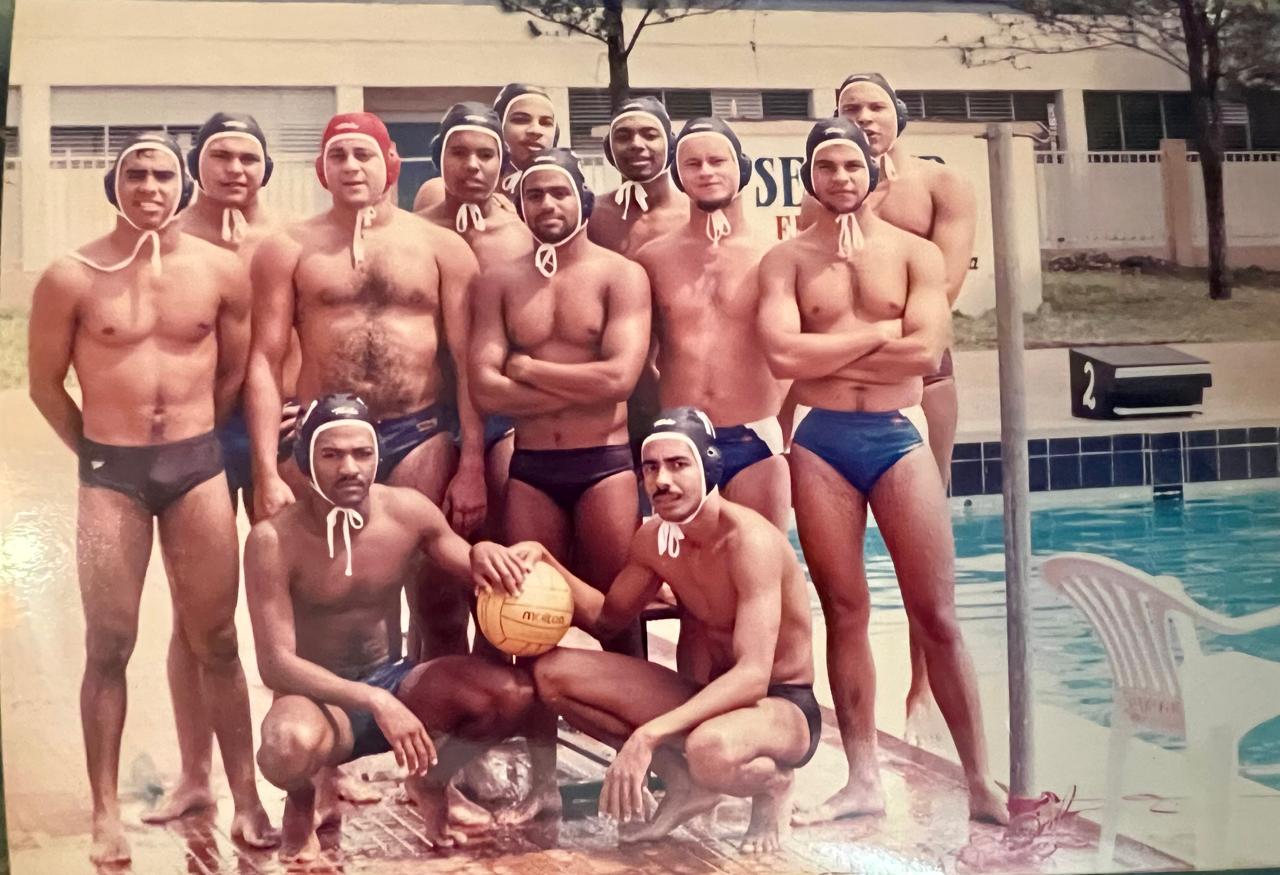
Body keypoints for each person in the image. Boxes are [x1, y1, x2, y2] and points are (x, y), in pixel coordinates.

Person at [26, 132, 276, 864]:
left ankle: (246, 797)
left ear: (182, 184)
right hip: (112, 475)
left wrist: (193, 439)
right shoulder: (71, 276)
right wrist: (97, 454)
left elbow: (233, 373)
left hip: (197, 468)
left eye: (163, 174)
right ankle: (106, 812)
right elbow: (44, 384)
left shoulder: (222, 272)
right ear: (115, 184)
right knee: (109, 643)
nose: (149, 186)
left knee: (218, 639)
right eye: (134, 173)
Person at [758, 119, 1005, 826]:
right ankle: (862, 778)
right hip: (822, 442)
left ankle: (980, 780)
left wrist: (825, 349)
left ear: (874, 174)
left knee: (937, 615)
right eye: (826, 166)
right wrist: (875, 334)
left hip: (898, 435)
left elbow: (925, 353)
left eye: (851, 165)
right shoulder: (786, 261)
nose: (840, 177)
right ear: (810, 177)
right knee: (845, 611)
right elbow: (782, 357)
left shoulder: (915, 254)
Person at [246, 394, 540, 861]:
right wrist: (374, 700)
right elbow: (275, 665)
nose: (350, 468)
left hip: (397, 682)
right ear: (306, 461)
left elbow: (469, 563)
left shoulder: (407, 512)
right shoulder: (274, 540)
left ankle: (432, 780)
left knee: (513, 695)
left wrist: (484, 553)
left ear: (377, 456)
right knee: (284, 747)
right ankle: (303, 798)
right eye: (332, 455)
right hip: (321, 701)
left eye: (362, 453)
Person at [246, 112, 485, 661]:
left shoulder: (441, 247)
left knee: (438, 601)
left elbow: (466, 361)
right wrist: (265, 472)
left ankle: (434, 711)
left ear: (391, 163)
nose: (351, 166)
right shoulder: (287, 248)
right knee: (335, 607)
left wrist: (472, 462)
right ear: (320, 169)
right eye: (338, 156)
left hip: (418, 433)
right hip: (324, 441)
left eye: (363, 155)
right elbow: (264, 358)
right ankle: (341, 713)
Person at [528, 407, 819, 853]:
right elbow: (607, 619)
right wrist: (544, 559)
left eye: (678, 464)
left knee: (708, 749)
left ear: (709, 466)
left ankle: (772, 785)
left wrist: (648, 735)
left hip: (781, 706)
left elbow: (753, 675)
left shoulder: (750, 542)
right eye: (651, 468)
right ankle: (684, 783)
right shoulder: (655, 541)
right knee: (551, 675)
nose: (662, 480)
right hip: (711, 699)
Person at [470, 147, 651, 823]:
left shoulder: (620, 275)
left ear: (582, 197)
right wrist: (575, 387)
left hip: (604, 465)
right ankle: (543, 780)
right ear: (521, 204)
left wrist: (525, 370)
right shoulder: (498, 282)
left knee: (618, 619)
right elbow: (485, 387)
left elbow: (620, 380)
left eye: (559, 193)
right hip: (533, 472)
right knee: (527, 624)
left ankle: (639, 770)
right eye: (535, 195)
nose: (547, 205)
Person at [798, 71, 978, 742]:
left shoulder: (939, 184)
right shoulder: (830, 185)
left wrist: (858, 348)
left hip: (926, 376)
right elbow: (818, 293)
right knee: (846, 576)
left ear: (898, 113)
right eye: (852, 107)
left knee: (926, 547)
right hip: (850, 388)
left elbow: (946, 286)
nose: (866, 116)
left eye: (876, 105)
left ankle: (921, 687)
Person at [634, 117, 790, 532]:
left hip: (756, 435)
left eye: (717, 161)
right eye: (693, 163)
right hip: (678, 438)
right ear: (678, 175)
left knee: (761, 560)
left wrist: (784, 429)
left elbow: (797, 355)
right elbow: (638, 359)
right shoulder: (653, 259)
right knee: (683, 569)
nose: (706, 172)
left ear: (742, 166)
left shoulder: (774, 256)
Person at [418, 102, 535, 543]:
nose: (472, 165)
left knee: (508, 551)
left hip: (505, 414)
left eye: (485, 154)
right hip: (429, 414)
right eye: (459, 152)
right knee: (433, 558)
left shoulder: (525, 235)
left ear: (502, 162)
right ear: (439, 157)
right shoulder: (412, 233)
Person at [414, 83, 558, 213]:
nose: (536, 130)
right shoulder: (437, 192)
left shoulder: (559, 200)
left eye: (546, 123)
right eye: (520, 120)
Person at [588, 97, 688, 258]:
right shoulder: (589, 216)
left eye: (650, 135)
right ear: (609, 149)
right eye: (623, 137)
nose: (636, 144)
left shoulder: (697, 216)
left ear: (671, 145)